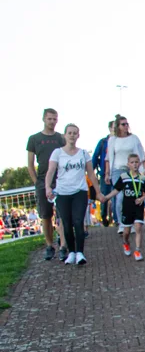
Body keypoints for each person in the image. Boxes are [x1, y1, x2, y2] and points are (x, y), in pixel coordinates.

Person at [45, 124, 103, 265]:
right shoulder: (57, 153)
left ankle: (80, 253)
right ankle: (71, 252)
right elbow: (51, 171)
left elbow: (91, 173)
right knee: (67, 223)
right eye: (69, 133)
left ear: (78, 136)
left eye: (75, 133)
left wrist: (98, 191)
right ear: (65, 135)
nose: (72, 135)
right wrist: (47, 187)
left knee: (78, 221)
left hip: (79, 191)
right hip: (63, 192)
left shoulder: (83, 153)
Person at [26, 108, 66, 260]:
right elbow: (30, 163)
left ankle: (63, 245)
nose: (52, 122)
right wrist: (36, 181)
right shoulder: (34, 139)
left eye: (55, 119)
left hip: (60, 180)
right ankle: (49, 245)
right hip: (43, 180)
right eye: (49, 119)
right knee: (46, 215)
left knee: (62, 214)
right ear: (44, 119)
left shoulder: (60, 138)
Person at [101, 154, 145, 261]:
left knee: (138, 227)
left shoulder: (142, 178)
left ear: (139, 163)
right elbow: (116, 190)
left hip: (138, 207)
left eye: (136, 162)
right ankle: (125, 242)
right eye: (132, 162)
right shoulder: (124, 177)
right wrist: (106, 197)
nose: (135, 164)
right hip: (127, 207)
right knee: (126, 231)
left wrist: (141, 199)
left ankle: (137, 250)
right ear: (128, 164)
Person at [104, 115, 145, 234]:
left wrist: (144, 170)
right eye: (123, 124)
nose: (126, 126)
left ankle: (131, 222)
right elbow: (108, 158)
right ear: (117, 126)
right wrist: (107, 173)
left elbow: (141, 155)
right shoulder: (113, 140)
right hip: (117, 170)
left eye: (127, 124)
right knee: (119, 197)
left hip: (131, 171)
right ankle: (122, 224)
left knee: (131, 196)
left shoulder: (134, 138)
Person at [93, 121, 115, 226]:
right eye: (114, 127)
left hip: (116, 172)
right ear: (110, 128)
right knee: (104, 195)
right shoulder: (103, 142)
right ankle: (103, 216)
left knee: (116, 195)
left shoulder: (120, 140)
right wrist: (91, 171)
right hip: (103, 173)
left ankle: (116, 218)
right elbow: (95, 156)